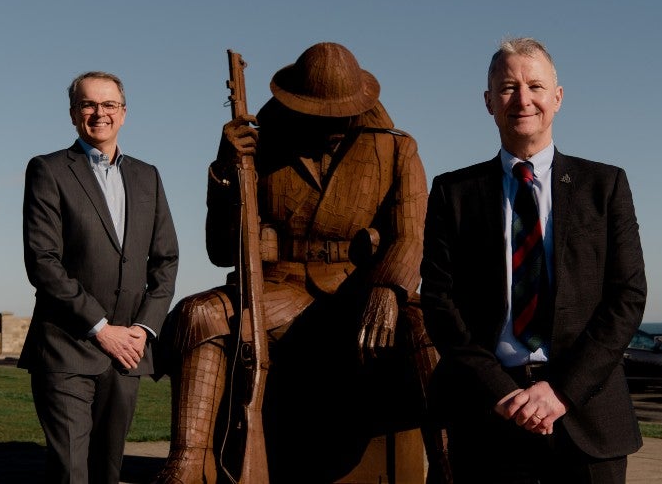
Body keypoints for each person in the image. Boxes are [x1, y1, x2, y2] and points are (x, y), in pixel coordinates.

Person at [155, 42, 449, 483]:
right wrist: (225, 170)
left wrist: (388, 289)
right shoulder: (260, 148)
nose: (330, 123)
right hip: (281, 291)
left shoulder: (395, 150)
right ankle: (188, 464)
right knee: (200, 314)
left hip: (360, 292)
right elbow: (221, 250)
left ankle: (450, 466)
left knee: (426, 326)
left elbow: (411, 237)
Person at [420, 37, 647, 483]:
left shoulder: (605, 186)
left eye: (536, 86)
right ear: (489, 102)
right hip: (486, 418)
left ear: (557, 98)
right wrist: (502, 392)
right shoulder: (453, 193)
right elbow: (440, 303)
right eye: (508, 87)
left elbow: (628, 296)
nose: (523, 99)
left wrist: (560, 391)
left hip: (586, 417)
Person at [19, 71, 179, 484]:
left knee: (107, 472)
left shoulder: (148, 176)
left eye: (109, 105)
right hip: (66, 348)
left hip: (127, 354)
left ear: (124, 113)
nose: (99, 113)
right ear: (74, 114)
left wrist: (143, 329)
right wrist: (101, 328)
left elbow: (165, 261)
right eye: (89, 104)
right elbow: (43, 262)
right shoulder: (48, 170)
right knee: (72, 473)